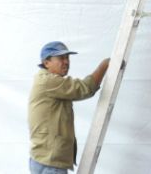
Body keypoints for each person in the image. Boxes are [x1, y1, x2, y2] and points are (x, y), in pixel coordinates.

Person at [28, 41, 110, 174]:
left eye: (67, 58)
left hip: (42, 158)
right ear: (46, 62)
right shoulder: (48, 81)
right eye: (61, 58)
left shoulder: (46, 81)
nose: (66, 62)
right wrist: (105, 65)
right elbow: (85, 88)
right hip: (51, 163)